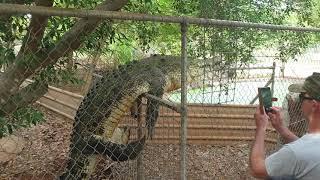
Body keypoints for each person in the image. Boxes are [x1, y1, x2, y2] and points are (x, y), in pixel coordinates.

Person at [250, 72, 320, 180]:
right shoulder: (306, 148)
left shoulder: (295, 153)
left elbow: (257, 170)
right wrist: (281, 128)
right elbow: (309, 147)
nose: (300, 101)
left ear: (314, 105)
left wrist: (261, 128)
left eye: (302, 97)